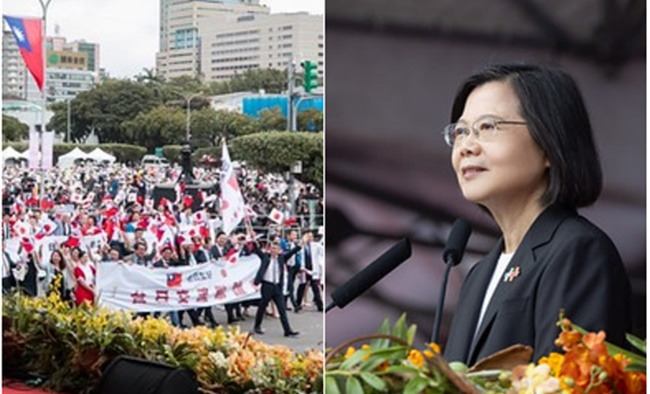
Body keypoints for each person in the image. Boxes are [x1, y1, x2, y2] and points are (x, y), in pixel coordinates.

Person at [441, 64, 632, 365]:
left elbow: (567, 380)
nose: (466, 146)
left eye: (487, 127)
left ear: (548, 144)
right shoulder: (479, 275)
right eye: (461, 131)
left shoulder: (577, 250)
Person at [251, 236, 301, 337]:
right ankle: (257, 326)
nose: (273, 250)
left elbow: (291, 252)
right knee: (262, 306)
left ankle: (287, 330)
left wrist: (299, 245)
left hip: (277, 286)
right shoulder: (266, 257)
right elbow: (256, 250)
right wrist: (253, 240)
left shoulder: (282, 258)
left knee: (282, 309)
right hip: (267, 285)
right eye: (272, 248)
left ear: (279, 251)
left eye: (276, 249)